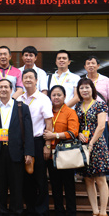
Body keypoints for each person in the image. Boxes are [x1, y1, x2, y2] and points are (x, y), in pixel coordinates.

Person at [0, 79, 34, 216]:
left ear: (11, 89)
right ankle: (1, 211)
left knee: (16, 186)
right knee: (0, 186)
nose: (3, 89)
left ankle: (16, 211)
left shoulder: (22, 107)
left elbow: (28, 131)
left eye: (6, 87)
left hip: (17, 152)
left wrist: (29, 152)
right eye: (0, 87)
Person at [17, 69, 53, 216]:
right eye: (25, 78)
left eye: (31, 77)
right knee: (26, 178)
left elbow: (49, 124)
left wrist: (48, 145)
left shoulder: (43, 99)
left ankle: (42, 210)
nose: (28, 80)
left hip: (38, 142)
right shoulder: (19, 99)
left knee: (40, 178)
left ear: (36, 80)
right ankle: (30, 208)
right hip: (22, 143)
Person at [75, 78, 109, 216]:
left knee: (100, 179)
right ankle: (94, 211)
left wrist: (92, 142)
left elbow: (101, 126)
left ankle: (103, 211)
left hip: (97, 145)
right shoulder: (77, 106)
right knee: (88, 179)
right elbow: (75, 125)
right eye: (81, 88)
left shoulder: (100, 105)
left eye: (87, 87)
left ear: (92, 89)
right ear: (78, 90)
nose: (84, 90)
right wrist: (78, 134)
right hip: (83, 146)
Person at [43, 85, 79, 216]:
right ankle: (59, 211)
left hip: (66, 154)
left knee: (69, 185)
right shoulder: (47, 111)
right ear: (50, 97)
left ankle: (71, 212)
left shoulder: (70, 112)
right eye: (53, 95)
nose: (56, 97)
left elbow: (74, 132)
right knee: (55, 185)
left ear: (64, 97)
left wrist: (55, 135)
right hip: (51, 154)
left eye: (59, 95)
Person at [84, 55, 109, 145]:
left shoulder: (106, 80)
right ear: (85, 67)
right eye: (88, 63)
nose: (90, 65)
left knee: (103, 147)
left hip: (103, 120)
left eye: (93, 63)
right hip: (87, 120)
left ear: (98, 66)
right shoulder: (82, 81)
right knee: (87, 148)